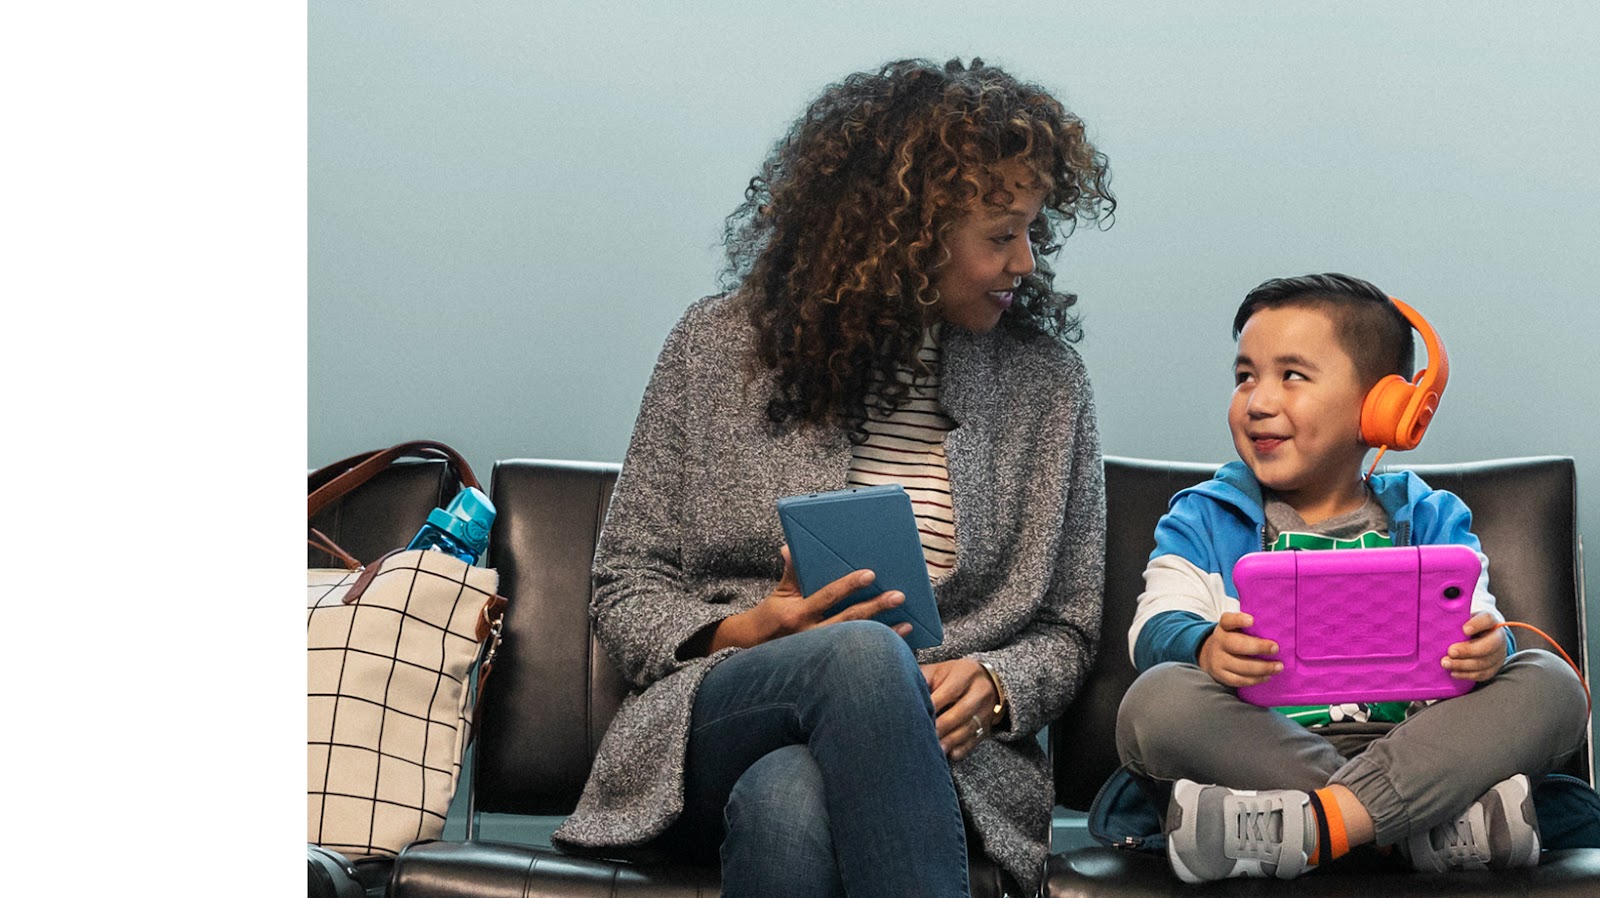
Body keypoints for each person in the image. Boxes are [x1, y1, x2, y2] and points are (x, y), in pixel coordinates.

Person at [548, 57, 1114, 897]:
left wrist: (999, 686)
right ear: (909, 233)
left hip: (948, 758)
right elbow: (627, 584)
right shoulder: (716, 348)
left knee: (789, 800)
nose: (1025, 261)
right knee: (859, 654)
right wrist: (748, 630)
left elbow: (1068, 625)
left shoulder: (1047, 385)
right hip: (720, 716)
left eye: (1033, 231)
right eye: (1001, 235)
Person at [1115, 273, 1589, 883]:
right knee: (1154, 702)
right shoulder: (1204, 517)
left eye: (1292, 375)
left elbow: (1480, 624)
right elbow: (1154, 627)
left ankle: (1317, 829)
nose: (1257, 401)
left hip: (1424, 747)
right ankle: (1417, 831)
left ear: (1381, 407)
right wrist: (1204, 646)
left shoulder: (1431, 518)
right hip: (1264, 751)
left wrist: (1488, 649)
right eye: (1245, 376)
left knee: (1552, 683)